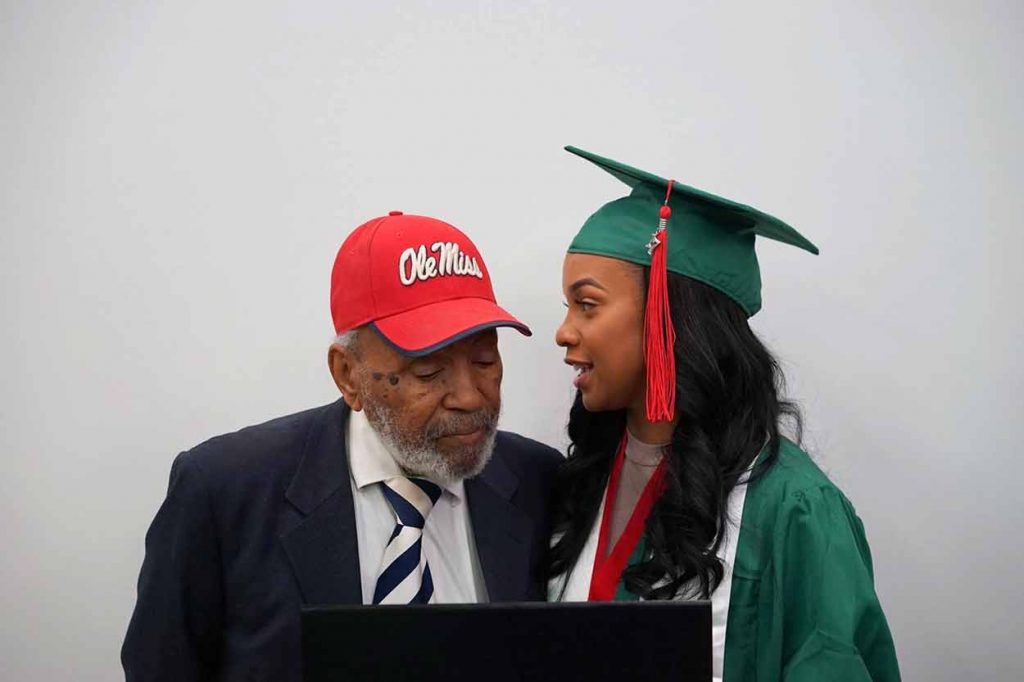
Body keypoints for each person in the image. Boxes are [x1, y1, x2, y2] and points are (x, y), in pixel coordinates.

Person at [122, 211, 562, 681]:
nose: (471, 397)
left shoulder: (540, 481)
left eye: (485, 360)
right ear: (347, 375)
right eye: (428, 373)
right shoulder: (224, 492)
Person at [547, 147, 900, 681]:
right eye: (567, 307)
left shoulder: (792, 509)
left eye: (587, 305)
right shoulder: (581, 478)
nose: (564, 332)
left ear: (671, 316)